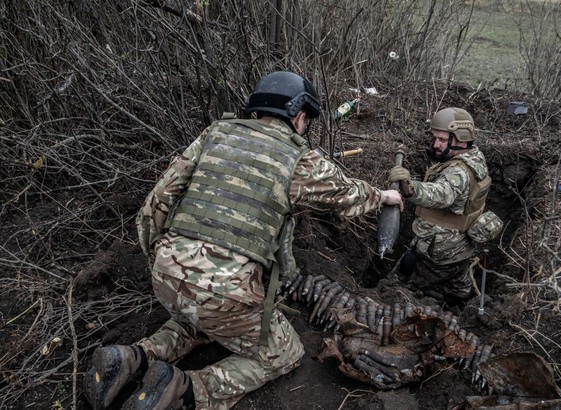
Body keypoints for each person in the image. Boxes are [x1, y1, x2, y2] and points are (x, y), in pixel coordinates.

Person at [84, 71, 403, 410]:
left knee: (199, 315)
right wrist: (384, 195)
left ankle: (132, 356)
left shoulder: (216, 134)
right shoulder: (298, 159)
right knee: (284, 351)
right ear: (298, 116)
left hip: (166, 276)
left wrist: (161, 260)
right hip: (225, 293)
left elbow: (156, 203)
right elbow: (347, 193)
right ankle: (184, 389)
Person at [388, 107, 494, 306]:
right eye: (435, 138)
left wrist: (410, 188)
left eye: (443, 140)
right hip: (461, 247)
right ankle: (459, 299)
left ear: (461, 139)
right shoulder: (474, 157)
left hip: (439, 253)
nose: (435, 144)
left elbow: (442, 194)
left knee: (397, 285)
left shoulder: (459, 172)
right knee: (458, 287)